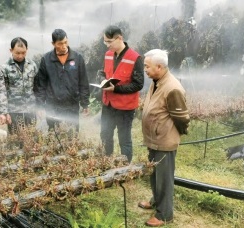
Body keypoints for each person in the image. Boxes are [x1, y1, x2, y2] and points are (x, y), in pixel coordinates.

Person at [139, 49, 190, 227]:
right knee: (154, 174)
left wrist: (172, 134)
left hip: (164, 141)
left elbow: (182, 118)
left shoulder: (172, 88)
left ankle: (164, 214)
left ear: (159, 67)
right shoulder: (157, 81)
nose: (144, 69)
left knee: (164, 178)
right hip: (154, 138)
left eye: (147, 66)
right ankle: (156, 201)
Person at [99, 25, 144, 163]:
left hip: (125, 108)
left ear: (120, 38)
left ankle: (125, 169)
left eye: (109, 42)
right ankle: (106, 163)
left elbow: (138, 84)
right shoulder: (107, 55)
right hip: (108, 104)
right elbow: (102, 72)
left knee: (124, 139)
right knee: (105, 135)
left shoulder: (135, 58)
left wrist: (116, 89)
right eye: (105, 41)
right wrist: (101, 80)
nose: (107, 45)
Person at [34, 29, 90, 135]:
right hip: (53, 106)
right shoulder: (46, 60)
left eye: (65, 42)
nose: (64, 46)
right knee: (54, 138)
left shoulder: (77, 58)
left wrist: (85, 104)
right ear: (53, 44)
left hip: (72, 105)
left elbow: (83, 82)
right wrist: (40, 106)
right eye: (60, 44)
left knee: (72, 136)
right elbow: (41, 85)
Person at [3, 37, 38, 140]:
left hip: (31, 109)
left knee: (31, 139)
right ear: (11, 50)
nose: (20, 56)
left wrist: (39, 106)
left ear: (27, 50)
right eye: (17, 53)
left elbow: (37, 87)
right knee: (15, 139)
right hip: (14, 110)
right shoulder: (5, 67)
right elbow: (2, 92)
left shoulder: (32, 65)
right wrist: (5, 112)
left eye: (23, 53)